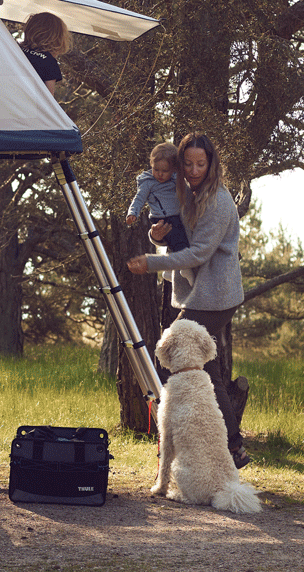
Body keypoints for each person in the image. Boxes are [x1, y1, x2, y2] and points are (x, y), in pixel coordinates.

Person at [125, 132, 249, 469]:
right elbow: (173, 235)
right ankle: (231, 450)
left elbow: (197, 254)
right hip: (198, 292)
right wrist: (156, 236)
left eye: (201, 163)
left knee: (174, 356)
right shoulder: (183, 193)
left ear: (211, 164)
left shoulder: (218, 201)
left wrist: (151, 263)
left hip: (216, 295)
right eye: (189, 163)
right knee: (206, 372)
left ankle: (204, 444)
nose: (194, 170)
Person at [127, 141, 193, 284]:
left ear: (173, 169)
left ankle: (170, 271)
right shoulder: (148, 182)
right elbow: (139, 198)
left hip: (176, 214)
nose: (160, 174)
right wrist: (132, 212)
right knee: (180, 242)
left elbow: (187, 193)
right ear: (151, 166)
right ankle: (185, 268)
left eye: (165, 171)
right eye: (156, 169)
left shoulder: (176, 179)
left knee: (177, 240)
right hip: (161, 217)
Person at [20, 12, 72, 95]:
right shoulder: (49, 63)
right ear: (58, 38)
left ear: (30, 29)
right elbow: (48, 97)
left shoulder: (16, 49)